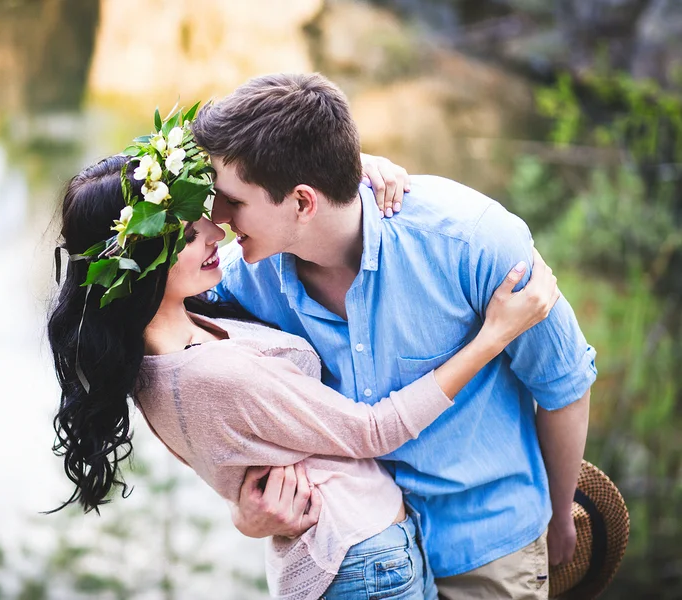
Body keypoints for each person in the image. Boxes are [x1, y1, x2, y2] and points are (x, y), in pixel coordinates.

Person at [47, 141, 559, 599]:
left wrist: (341, 179)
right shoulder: (209, 371)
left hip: (364, 554)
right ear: (139, 263)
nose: (214, 230)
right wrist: (494, 336)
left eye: (201, 214)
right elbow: (372, 430)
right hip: (363, 563)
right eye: (183, 232)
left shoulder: (162, 344)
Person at [190, 73, 598, 600]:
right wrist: (244, 510)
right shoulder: (241, 277)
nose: (217, 219)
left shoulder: (471, 242)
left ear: (302, 202)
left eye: (232, 201)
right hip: (359, 554)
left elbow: (562, 386)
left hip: (489, 549)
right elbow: (203, 391)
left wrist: (561, 512)